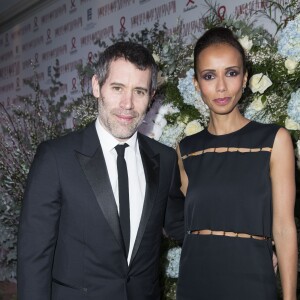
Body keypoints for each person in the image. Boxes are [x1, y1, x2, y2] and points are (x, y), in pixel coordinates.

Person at [17, 41, 184, 300]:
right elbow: (33, 258)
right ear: (97, 86)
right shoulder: (56, 159)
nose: (127, 104)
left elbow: (185, 225)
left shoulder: (165, 159)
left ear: (151, 97)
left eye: (139, 91)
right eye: (117, 88)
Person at [176, 27, 297, 300]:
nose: (221, 87)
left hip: (253, 281)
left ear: (245, 79)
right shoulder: (185, 150)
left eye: (231, 73)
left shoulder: (274, 140)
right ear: (196, 84)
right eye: (209, 76)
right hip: (196, 282)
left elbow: (284, 228)